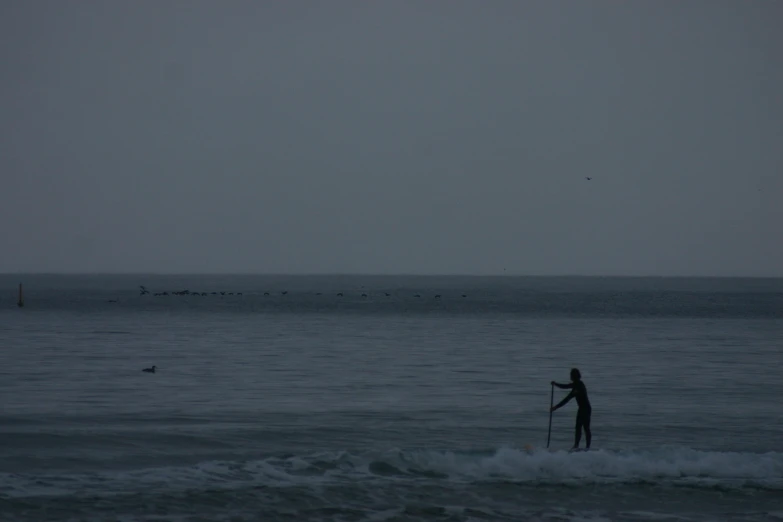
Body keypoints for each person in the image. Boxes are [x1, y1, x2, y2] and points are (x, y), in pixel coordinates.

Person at [551, 368, 591, 450]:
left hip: (586, 409)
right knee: (578, 427)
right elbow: (565, 386)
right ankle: (576, 446)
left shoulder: (578, 387)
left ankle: (587, 447)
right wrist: (555, 384)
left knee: (585, 428)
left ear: (573, 376)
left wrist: (555, 407)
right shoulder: (577, 384)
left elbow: (567, 399)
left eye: (571, 375)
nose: (570, 377)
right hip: (582, 409)